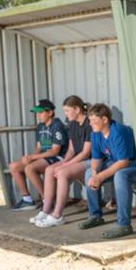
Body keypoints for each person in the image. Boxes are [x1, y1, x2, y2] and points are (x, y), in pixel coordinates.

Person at [77, 103, 136, 239]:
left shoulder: (118, 131)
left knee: (120, 175)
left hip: (135, 164)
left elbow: (124, 162)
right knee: (89, 173)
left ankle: (124, 224)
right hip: (116, 162)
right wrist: (95, 174)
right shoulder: (96, 133)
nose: (91, 124)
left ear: (104, 120)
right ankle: (95, 216)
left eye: (94, 121)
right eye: (90, 121)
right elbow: (96, 159)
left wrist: (100, 177)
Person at [30, 96, 92, 227]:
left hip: (90, 160)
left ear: (77, 109)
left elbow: (85, 153)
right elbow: (71, 150)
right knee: (49, 169)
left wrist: (65, 166)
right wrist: (63, 163)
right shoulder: (73, 124)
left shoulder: (89, 124)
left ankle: (57, 215)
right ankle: (46, 210)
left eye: (67, 111)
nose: (65, 114)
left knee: (62, 173)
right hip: (77, 159)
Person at [9, 99, 68, 211]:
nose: (38, 116)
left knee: (30, 168)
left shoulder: (57, 125)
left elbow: (55, 151)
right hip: (44, 157)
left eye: (41, 113)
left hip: (58, 157)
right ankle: (27, 200)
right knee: (14, 166)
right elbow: (39, 147)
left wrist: (32, 158)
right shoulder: (41, 126)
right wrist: (29, 157)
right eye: (37, 113)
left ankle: (47, 201)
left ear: (50, 113)